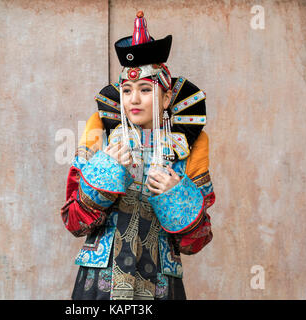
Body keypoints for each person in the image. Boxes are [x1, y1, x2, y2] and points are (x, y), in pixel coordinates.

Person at [60, 11, 215, 300]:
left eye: (145, 89)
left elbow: (197, 241)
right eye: (127, 90)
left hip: (160, 283)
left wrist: (176, 194)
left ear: (167, 98)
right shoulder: (101, 134)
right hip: (99, 285)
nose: (133, 99)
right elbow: (73, 222)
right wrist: (105, 170)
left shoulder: (190, 145)